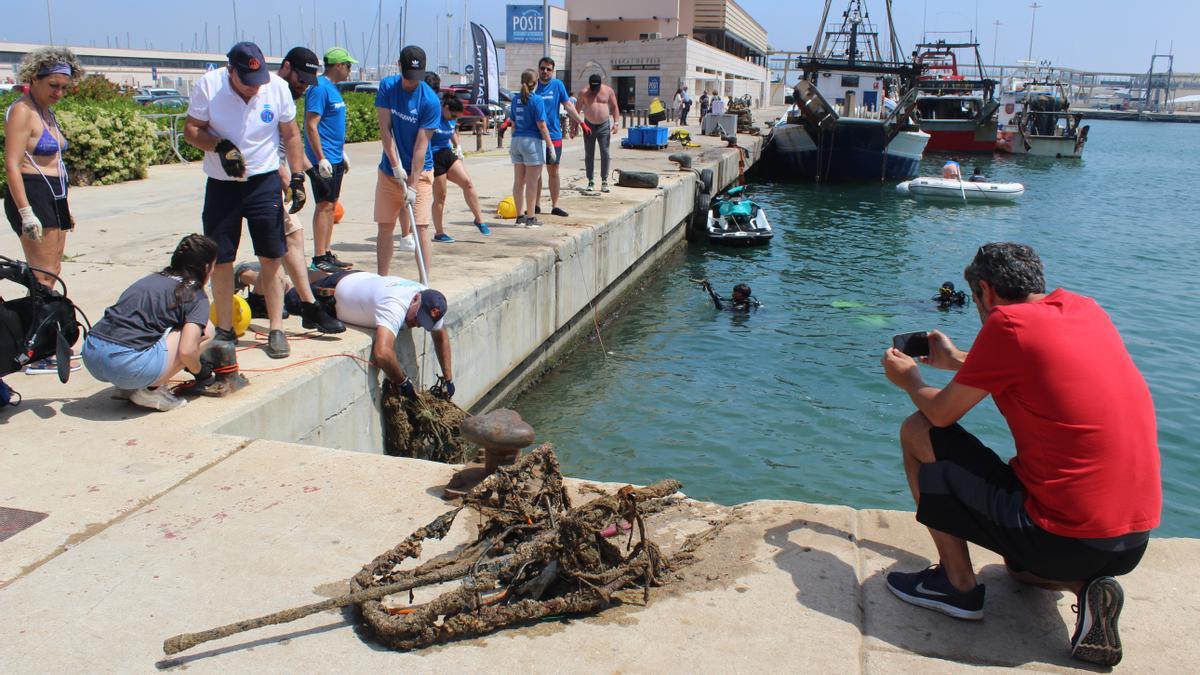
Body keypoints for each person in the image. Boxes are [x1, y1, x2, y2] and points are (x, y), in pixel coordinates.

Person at [880, 242, 1160, 667]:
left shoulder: (1007, 324)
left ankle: (957, 587)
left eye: (977, 299)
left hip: (1060, 535)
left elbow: (939, 414)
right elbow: (1036, 362)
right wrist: (957, 360)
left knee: (916, 430)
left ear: (986, 292)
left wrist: (910, 378)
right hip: (1130, 543)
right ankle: (1086, 588)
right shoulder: (1084, 309)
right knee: (1016, 571)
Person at [184, 42, 309, 360]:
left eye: (258, 82)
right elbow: (191, 130)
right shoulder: (209, 87)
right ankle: (225, 329)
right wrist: (219, 146)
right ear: (231, 71)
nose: (254, 90)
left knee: (272, 254)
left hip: (263, 182)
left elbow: (291, 134)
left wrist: (296, 177)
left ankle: (277, 327)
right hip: (223, 185)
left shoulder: (277, 88)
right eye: (246, 83)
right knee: (221, 258)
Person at [82, 234, 217, 412]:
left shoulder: (150, 280)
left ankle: (127, 387)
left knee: (157, 327)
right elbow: (186, 351)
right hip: (124, 366)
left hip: (91, 354)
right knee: (206, 328)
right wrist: (201, 372)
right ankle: (150, 391)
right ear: (206, 267)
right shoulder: (196, 295)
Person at [283, 270, 455, 402]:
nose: (417, 323)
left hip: (359, 279)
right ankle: (269, 278)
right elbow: (382, 353)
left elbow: (440, 337)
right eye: (417, 318)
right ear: (415, 299)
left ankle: (304, 275)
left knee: (311, 280)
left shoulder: (429, 298)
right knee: (288, 300)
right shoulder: (395, 306)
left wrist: (448, 379)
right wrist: (404, 383)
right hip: (333, 293)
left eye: (423, 323)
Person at [268, 47, 346, 336]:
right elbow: (262, 147)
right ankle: (302, 307)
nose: (303, 85)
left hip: (275, 178)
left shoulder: (289, 96)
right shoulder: (270, 92)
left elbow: (291, 142)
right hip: (254, 181)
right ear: (286, 67)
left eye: (307, 81)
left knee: (288, 240)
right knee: (280, 245)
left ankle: (300, 304)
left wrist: (300, 176)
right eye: (300, 78)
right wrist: (287, 176)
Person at [4, 47, 82, 292]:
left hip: (56, 194)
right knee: (43, 275)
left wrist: (64, 207)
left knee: (53, 271)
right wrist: (26, 212)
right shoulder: (22, 111)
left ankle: (44, 325)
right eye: (53, 85)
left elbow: (55, 160)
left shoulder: (47, 112)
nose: (59, 93)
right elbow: (12, 164)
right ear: (33, 79)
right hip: (33, 191)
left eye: (64, 87)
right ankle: (35, 327)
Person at [374, 45, 440, 278]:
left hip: (420, 173)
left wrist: (412, 184)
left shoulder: (430, 101)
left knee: (421, 226)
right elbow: (385, 130)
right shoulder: (387, 87)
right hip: (389, 171)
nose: (411, 82)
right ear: (399, 66)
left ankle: (424, 280)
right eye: (408, 76)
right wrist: (394, 165)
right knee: (385, 226)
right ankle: (382, 279)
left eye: (416, 77)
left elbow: (421, 147)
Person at [305, 47, 357, 273]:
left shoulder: (333, 90)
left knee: (331, 204)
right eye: (349, 66)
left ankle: (326, 252)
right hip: (323, 158)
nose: (350, 70)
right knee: (324, 205)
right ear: (339, 66)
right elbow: (311, 125)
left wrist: (341, 153)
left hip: (335, 155)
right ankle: (318, 256)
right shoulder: (319, 88)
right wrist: (321, 157)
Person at [430, 92, 490, 242]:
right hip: (433, 156)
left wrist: (458, 146)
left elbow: (453, 131)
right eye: (453, 116)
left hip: (447, 152)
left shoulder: (451, 119)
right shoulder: (433, 115)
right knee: (440, 196)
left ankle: (479, 219)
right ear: (446, 108)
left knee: (467, 183)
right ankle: (439, 232)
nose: (454, 119)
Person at [533, 57, 586, 218]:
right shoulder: (532, 86)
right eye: (542, 68)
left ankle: (555, 205)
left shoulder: (557, 85)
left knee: (553, 171)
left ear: (553, 70)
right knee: (535, 172)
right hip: (535, 135)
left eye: (548, 69)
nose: (545, 71)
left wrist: (581, 122)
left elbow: (568, 105)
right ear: (538, 69)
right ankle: (535, 204)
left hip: (554, 135)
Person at [509, 69, 554, 228]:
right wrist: (550, 145)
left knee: (518, 181)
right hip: (532, 142)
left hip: (516, 141)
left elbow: (513, 124)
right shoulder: (537, 100)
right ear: (535, 83)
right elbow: (541, 125)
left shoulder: (515, 100)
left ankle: (519, 216)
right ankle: (531, 218)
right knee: (532, 182)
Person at [576, 74, 619, 193]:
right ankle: (590, 180)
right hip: (588, 125)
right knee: (589, 154)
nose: (594, 91)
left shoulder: (608, 91)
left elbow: (615, 107)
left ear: (600, 84)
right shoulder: (583, 92)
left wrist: (616, 123)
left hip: (604, 125)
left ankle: (604, 180)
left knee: (605, 152)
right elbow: (577, 109)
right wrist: (575, 126)